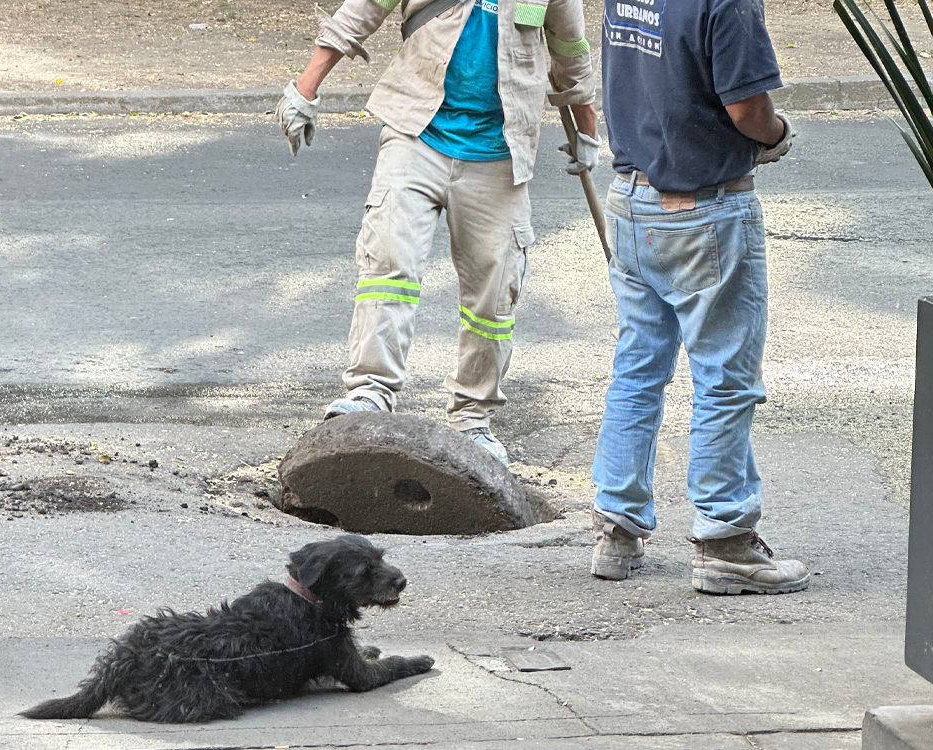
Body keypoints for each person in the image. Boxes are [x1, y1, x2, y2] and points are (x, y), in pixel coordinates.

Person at [276, 0, 599, 467]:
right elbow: (362, 11)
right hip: (416, 130)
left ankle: (473, 418)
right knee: (388, 258)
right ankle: (370, 394)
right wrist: (305, 89)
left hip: (500, 151)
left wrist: (587, 131)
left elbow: (571, 49)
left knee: (494, 293)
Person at [589, 0, 808, 593]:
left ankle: (617, 530)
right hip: (703, 208)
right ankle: (725, 540)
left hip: (631, 199)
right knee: (725, 378)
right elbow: (748, 110)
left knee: (637, 368)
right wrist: (779, 135)